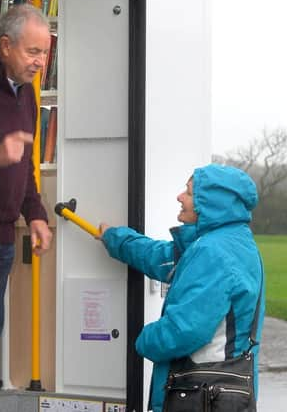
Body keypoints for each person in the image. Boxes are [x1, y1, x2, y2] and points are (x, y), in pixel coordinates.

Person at [97, 164, 265, 412]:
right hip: (222, 394)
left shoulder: (213, 252)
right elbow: (160, 257)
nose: (179, 197)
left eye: (188, 192)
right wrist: (115, 238)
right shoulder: (230, 243)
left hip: (202, 396)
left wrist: (141, 339)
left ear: (210, 203)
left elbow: (184, 331)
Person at [0, 3, 53, 385]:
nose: (40, 62)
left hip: (4, 237)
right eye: (33, 52)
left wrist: (37, 216)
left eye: (45, 52)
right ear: (6, 45)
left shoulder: (27, 94)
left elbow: (26, 166)